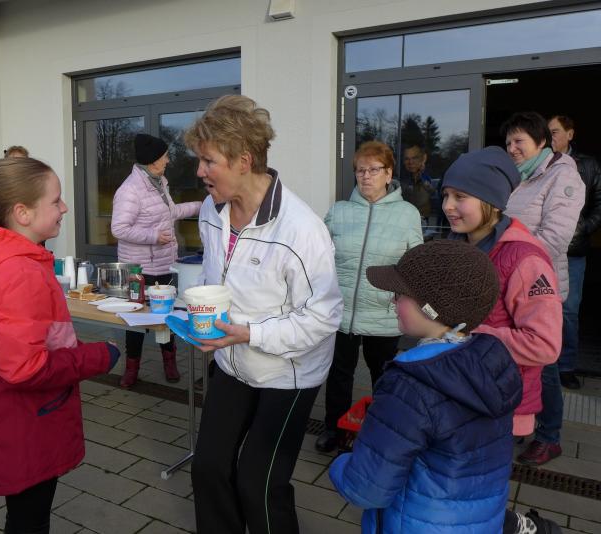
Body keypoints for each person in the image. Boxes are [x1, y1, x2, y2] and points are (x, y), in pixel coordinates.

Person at [184, 95, 343, 534]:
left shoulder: (302, 230)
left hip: (288, 374)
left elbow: (323, 317)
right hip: (231, 362)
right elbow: (217, 276)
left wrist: (248, 333)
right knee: (209, 467)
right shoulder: (211, 210)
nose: (199, 171)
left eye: (208, 161)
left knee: (259, 483)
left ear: (244, 160)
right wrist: (194, 311)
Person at [0, 157, 120, 534]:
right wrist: (98, 356)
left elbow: (34, 342)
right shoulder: (21, 272)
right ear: (22, 213)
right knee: (30, 521)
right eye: (55, 200)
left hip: (21, 421)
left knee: (27, 517)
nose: (65, 208)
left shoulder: (20, 262)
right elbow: (24, 368)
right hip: (25, 425)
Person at [329, 239, 524, 533]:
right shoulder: (490, 366)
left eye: (399, 294)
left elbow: (365, 489)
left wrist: (342, 464)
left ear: (430, 309)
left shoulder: (409, 385)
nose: (392, 301)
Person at [442, 148, 565, 534]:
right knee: (455, 493)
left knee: (477, 499)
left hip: (499, 407)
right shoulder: (460, 245)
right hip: (460, 395)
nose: (447, 206)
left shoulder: (525, 259)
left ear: (492, 201)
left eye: (460, 196)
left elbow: (545, 344)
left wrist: (469, 334)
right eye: (446, 195)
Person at [316, 141, 422, 453]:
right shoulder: (339, 211)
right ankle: (334, 429)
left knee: (384, 376)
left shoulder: (407, 214)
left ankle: (382, 432)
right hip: (342, 310)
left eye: (374, 170)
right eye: (360, 170)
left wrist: (404, 299)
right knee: (339, 374)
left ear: (388, 173)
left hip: (383, 312)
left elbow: (415, 263)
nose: (365, 176)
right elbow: (319, 255)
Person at [502, 112, 585, 466]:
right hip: (510, 285)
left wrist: (507, 261)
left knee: (544, 365)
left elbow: (554, 238)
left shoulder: (563, 176)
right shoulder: (519, 176)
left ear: (541, 142)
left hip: (540, 287)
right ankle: (521, 423)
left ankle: (550, 437)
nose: (512, 148)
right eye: (508, 142)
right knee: (515, 362)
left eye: (519, 141)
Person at [110, 133, 201, 388]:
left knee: (166, 316)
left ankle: (170, 363)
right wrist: (153, 236)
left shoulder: (159, 182)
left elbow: (171, 213)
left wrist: (200, 205)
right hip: (140, 268)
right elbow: (119, 228)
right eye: (165, 156)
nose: (168, 160)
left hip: (164, 265)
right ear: (152, 161)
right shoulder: (130, 190)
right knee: (136, 319)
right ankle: (132, 369)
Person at [548, 115, 601, 389]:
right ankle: (542, 364)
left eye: (555, 132)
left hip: (573, 252)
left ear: (570, 134)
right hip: (542, 251)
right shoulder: (540, 164)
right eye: (547, 132)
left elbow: (599, 205)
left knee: (568, 311)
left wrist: (582, 228)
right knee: (541, 308)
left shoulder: (588, 165)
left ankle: (565, 367)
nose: (550, 137)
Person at [400, 145, 435, 221]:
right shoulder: (403, 178)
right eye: (407, 159)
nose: (411, 162)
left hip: (422, 215)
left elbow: (432, 192)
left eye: (414, 158)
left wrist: (421, 176)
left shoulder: (426, 177)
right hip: (406, 214)